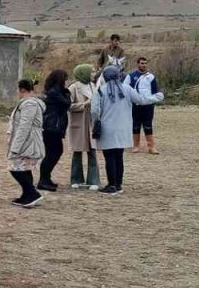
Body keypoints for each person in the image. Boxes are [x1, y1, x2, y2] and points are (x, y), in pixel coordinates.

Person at [90, 65, 164, 195]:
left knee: (109, 157)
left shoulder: (100, 90)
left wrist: (96, 121)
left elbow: (95, 110)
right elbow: (141, 100)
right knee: (119, 156)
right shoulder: (127, 89)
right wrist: (157, 97)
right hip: (123, 128)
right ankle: (118, 185)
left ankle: (111, 185)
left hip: (107, 128)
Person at [7, 79, 45, 207]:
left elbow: (24, 126)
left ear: (22, 89)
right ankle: (27, 195)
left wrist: (15, 147)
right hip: (27, 141)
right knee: (24, 168)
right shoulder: (27, 103)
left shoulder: (30, 104)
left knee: (15, 168)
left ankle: (32, 193)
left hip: (28, 142)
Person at [66, 64, 102, 190]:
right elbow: (68, 105)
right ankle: (76, 179)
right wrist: (84, 104)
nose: (93, 74)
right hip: (78, 123)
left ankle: (93, 180)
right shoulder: (73, 88)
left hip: (91, 123)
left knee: (92, 151)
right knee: (77, 151)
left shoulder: (93, 86)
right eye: (91, 72)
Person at [38, 69, 70, 191]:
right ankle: (43, 180)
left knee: (54, 152)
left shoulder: (53, 91)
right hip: (51, 127)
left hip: (52, 126)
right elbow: (67, 104)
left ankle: (46, 178)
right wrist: (67, 92)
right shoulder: (54, 92)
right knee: (53, 153)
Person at [128, 57, 161, 154]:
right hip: (135, 105)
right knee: (135, 125)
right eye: (142, 63)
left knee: (148, 125)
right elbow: (126, 90)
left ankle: (151, 147)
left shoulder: (151, 77)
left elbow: (155, 91)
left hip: (148, 106)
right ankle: (136, 146)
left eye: (145, 63)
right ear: (138, 64)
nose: (144, 65)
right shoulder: (131, 76)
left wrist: (152, 102)